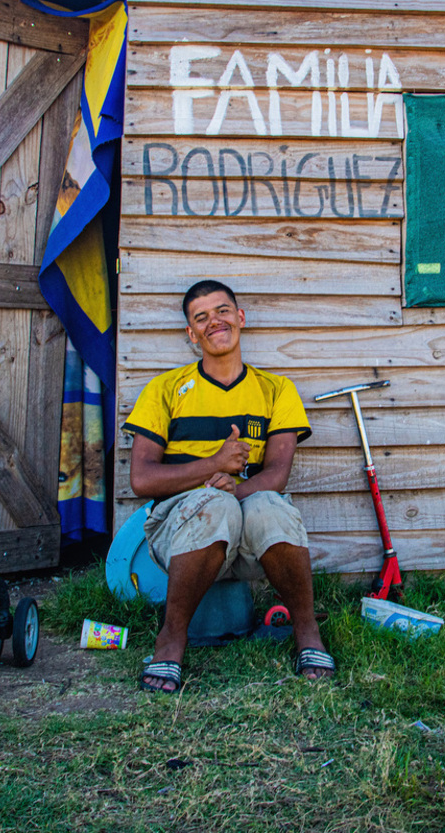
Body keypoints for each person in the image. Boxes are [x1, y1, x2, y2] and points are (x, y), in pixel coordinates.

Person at [122, 279, 335, 693]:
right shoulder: (164, 389)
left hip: (253, 533)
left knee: (270, 505)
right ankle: (171, 639)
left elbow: (277, 474)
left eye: (222, 311)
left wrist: (234, 489)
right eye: (200, 317)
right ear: (191, 333)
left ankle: (307, 632)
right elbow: (142, 479)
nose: (214, 322)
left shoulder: (276, 390)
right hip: (180, 533)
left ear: (240, 317)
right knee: (212, 506)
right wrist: (214, 466)